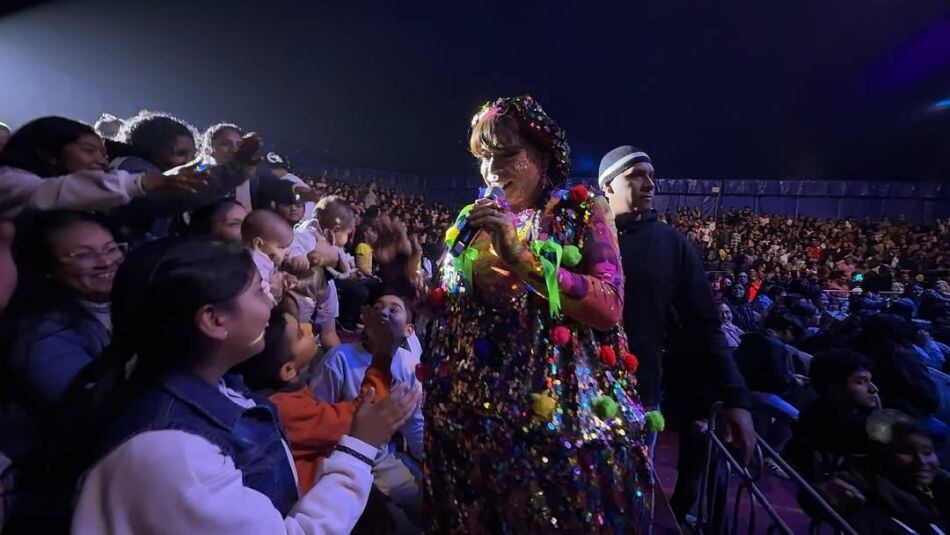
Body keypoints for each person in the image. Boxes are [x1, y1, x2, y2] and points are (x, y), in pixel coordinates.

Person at [70, 239, 420, 535]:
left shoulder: (217, 388)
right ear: (214, 320)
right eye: (258, 290)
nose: (272, 300)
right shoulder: (175, 456)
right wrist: (359, 449)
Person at [424, 96, 650, 531]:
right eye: (483, 158)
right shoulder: (470, 220)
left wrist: (519, 256)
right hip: (468, 421)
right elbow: (454, 302)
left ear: (543, 157)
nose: (491, 170)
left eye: (507, 156)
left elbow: (609, 306)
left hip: (552, 424)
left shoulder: (579, 210)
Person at [599, 145, 754, 521]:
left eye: (651, 176)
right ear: (607, 186)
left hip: (639, 398)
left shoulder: (673, 245)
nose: (649, 183)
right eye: (636, 175)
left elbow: (705, 324)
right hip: (575, 393)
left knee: (629, 507)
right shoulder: (579, 235)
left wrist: (737, 399)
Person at [236, 302, 401, 495]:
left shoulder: (282, 396)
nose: (309, 326)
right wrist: (382, 354)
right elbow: (361, 419)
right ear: (288, 370)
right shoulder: (284, 408)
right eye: (299, 333)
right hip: (313, 502)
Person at [311, 294, 423, 529]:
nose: (383, 313)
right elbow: (318, 412)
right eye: (378, 308)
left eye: (394, 310)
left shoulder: (410, 366)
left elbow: (413, 423)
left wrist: (425, 457)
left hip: (380, 456)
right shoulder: (340, 358)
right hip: (338, 453)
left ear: (409, 330)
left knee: (417, 499)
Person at [3, 211, 124, 410]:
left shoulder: (133, 298)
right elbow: (94, 407)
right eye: (84, 255)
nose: (105, 262)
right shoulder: (43, 337)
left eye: (111, 249)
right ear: (48, 269)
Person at [0, 117, 207, 219]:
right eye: (89, 150)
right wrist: (146, 181)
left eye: (104, 153)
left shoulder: (91, 199)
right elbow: (51, 191)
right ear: (49, 153)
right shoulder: (9, 182)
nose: (101, 161)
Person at [785, 350, 880, 517]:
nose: (873, 389)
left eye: (870, 381)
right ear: (834, 388)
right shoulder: (861, 434)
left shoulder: (813, 411)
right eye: (861, 382)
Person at [842, 418, 950, 534]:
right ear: (884, 456)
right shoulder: (866, 503)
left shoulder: (938, 495)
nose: (921, 461)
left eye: (927, 452)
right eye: (906, 451)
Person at [242, 209, 293, 304]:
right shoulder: (255, 264)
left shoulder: (262, 260)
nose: (287, 252)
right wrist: (273, 296)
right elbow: (263, 293)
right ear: (258, 245)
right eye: (281, 247)